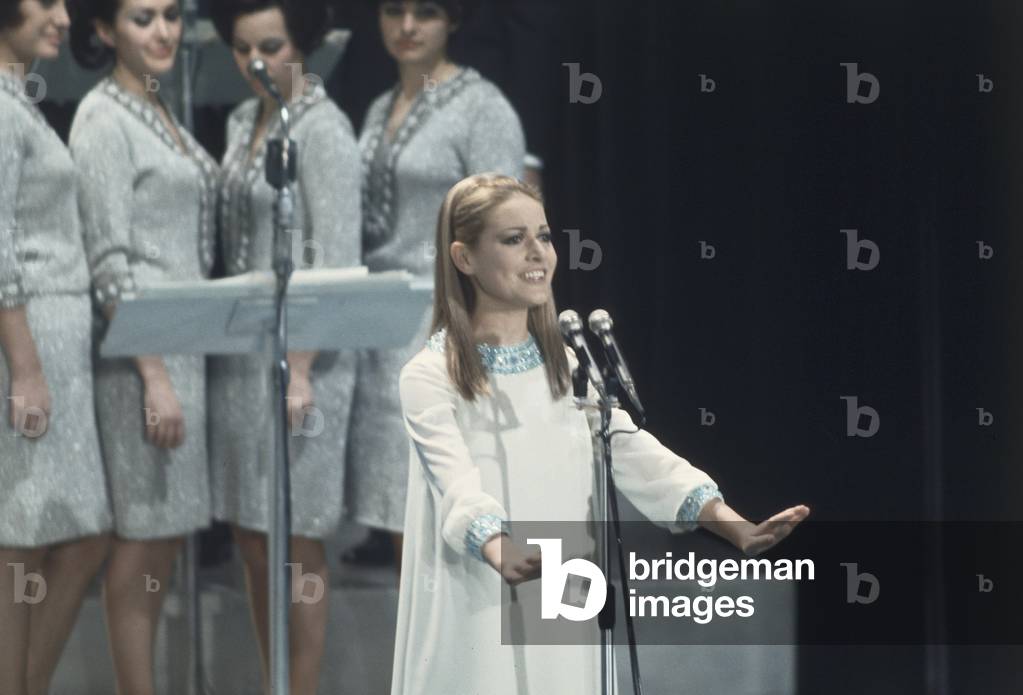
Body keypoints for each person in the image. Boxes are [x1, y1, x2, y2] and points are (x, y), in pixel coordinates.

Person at [391, 174, 811, 694]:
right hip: (479, 587)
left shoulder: (568, 366)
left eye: (544, 236)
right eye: (513, 239)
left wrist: (729, 524)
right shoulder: (430, 376)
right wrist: (498, 545)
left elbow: (631, 449)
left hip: (561, 585)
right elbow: (453, 477)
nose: (537, 253)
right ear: (464, 258)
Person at [66, 1, 219, 691]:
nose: (161, 32)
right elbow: (110, 261)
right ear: (103, 31)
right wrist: (155, 376)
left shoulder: (156, 108)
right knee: (141, 539)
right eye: (140, 19)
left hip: (182, 351)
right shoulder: (101, 117)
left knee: (164, 535)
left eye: (170, 17)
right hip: (140, 361)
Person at [208, 0, 361, 692]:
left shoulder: (325, 129)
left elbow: (335, 256)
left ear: (303, 43)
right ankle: (274, 679)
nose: (256, 63)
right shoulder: (244, 121)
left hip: (309, 359)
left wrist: (300, 369)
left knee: (297, 533)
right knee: (250, 530)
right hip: (244, 354)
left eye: (270, 46)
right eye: (242, 50)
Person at [344, 0, 525, 569]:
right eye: (393, 11)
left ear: (453, 20)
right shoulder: (379, 108)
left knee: (443, 513)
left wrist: (478, 331)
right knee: (399, 517)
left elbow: (508, 230)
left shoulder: (482, 106)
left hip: (445, 321)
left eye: (425, 12)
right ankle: (414, 658)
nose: (407, 26)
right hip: (378, 325)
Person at [0, 1, 113, 693]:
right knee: (21, 538)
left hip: (55, 340)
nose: (65, 17)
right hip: (30, 339)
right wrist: (27, 368)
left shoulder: (19, 98)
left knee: (62, 534)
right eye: (44, 3)